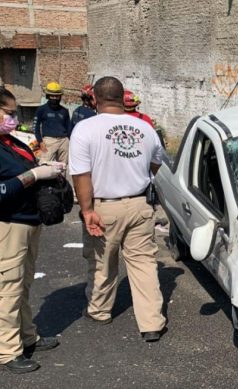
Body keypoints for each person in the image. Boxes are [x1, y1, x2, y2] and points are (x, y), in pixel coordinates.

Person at [69, 77, 166, 342]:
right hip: (139, 204)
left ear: (95, 99)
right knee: (144, 262)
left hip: (104, 206)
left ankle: (100, 310)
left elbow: (81, 175)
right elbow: (157, 164)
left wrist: (87, 210)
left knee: (102, 261)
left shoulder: (85, 128)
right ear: (122, 97)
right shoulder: (145, 128)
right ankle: (151, 323)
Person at [0, 87, 63, 373]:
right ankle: (7, 351)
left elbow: (27, 164)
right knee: (8, 290)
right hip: (9, 225)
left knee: (23, 285)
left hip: (28, 221)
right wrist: (33, 175)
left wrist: (44, 166)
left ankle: (27, 337)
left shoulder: (11, 142)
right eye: (8, 113)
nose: (13, 119)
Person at [33, 81, 72, 164]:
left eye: (57, 96)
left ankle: (61, 178)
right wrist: (40, 142)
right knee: (45, 165)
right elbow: (35, 127)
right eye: (52, 95)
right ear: (47, 96)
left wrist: (70, 141)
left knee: (63, 167)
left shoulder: (64, 111)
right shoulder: (41, 109)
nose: (54, 98)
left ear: (60, 96)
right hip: (48, 141)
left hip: (64, 141)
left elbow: (69, 128)